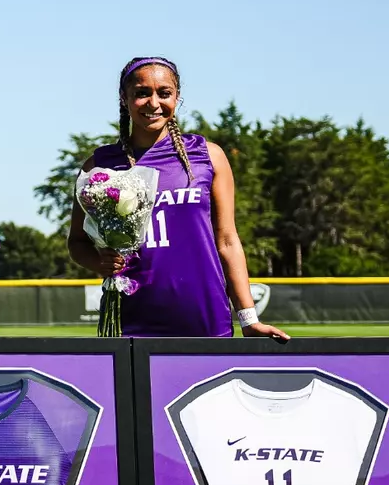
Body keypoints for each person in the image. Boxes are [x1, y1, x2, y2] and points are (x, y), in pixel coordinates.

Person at [67, 56, 289, 339]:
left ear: (177, 97)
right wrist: (99, 261)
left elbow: (228, 241)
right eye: (142, 93)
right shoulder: (99, 166)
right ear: (124, 98)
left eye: (164, 93)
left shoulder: (208, 155)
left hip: (205, 318)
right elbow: (76, 242)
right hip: (131, 322)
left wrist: (248, 319)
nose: (154, 103)